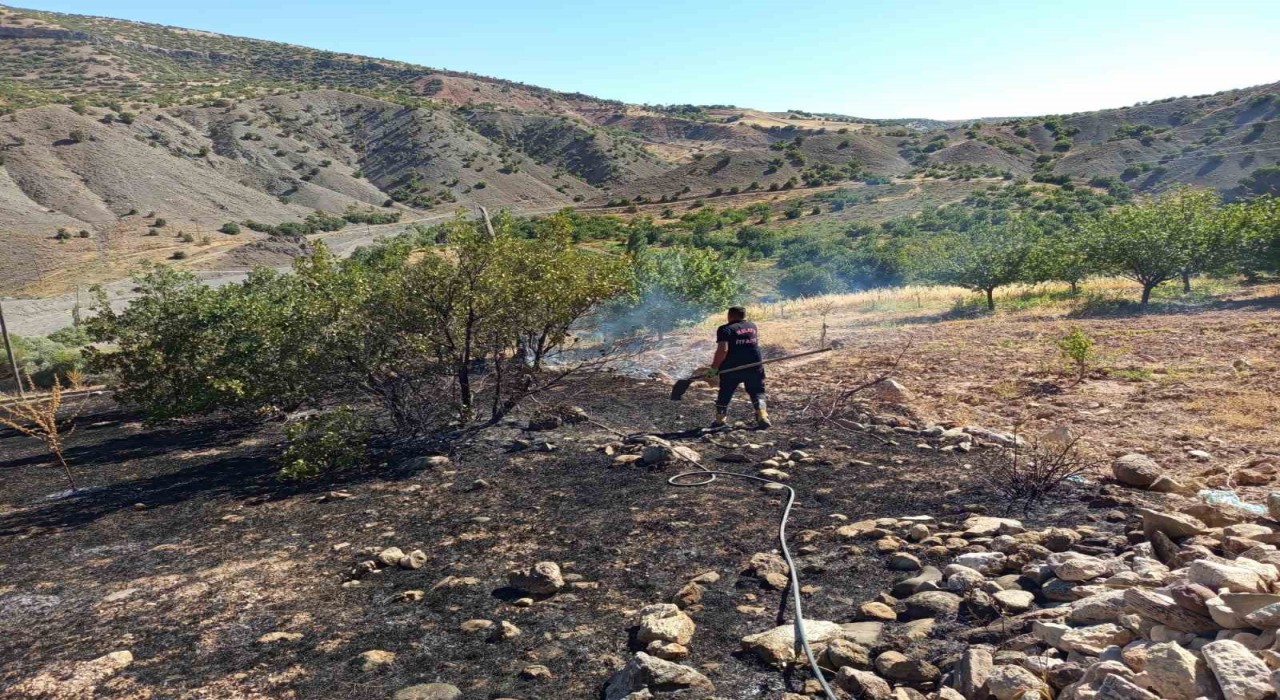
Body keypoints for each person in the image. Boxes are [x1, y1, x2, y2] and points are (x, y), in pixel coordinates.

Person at [708, 306, 769, 428]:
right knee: (757, 391)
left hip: (732, 367)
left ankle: (720, 420)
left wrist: (714, 368)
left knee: (725, 392)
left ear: (730, 315)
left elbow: (723, 350)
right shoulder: (752, 326)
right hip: (755, 365)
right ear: (743, 315)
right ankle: (762, 415)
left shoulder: (725, 329)